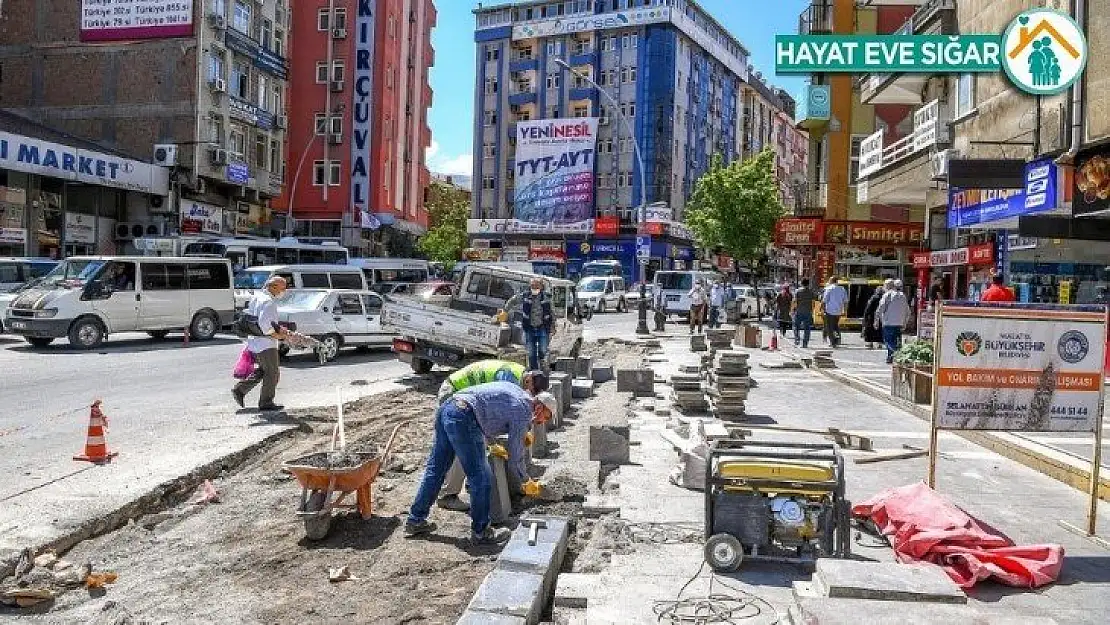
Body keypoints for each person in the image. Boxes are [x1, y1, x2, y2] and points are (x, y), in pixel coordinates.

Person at [405, 381, 558, 544]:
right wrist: (526, 481)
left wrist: (493, 443)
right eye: (546, 417)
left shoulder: (518, 394)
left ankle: (415, 520)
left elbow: (489, 412)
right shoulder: (523, 411)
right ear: (539, 408)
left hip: (449, 408)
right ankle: (481, 532)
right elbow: (515, 459)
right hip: (465, 416)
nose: (542, 422)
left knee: (436, 470)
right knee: (481, 477)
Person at [436, 364, 550, 512]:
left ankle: (469, 483)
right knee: (463, 449)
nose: (531, 395)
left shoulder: (519, 383)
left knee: (475, 446)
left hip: (471, 404)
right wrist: (524, 479)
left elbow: (491, 413)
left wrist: (519, 431)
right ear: (528, 380)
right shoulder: (508, 377)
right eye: (533, 391)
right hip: (455, 393)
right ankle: (449, 495)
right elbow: (491, 411)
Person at [232, 276, 289, 411]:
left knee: (264, 370)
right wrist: (280, 336)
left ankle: (240, 389)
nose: (284, 291)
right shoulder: (268, 302)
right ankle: (266, 402)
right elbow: (266, 328)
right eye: (283, 288)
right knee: (272, 372)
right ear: (273, 287)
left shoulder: (258, 297)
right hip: (265, 344)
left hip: (255, 342)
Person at [504, 278, 554, 371]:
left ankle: (542, 364)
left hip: (543, 327)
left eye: (536, 286)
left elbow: (552, 312)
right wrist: (505, 310)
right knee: (531, 351)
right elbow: (513, 300)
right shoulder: (525, 296)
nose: (534, 288)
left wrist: (553, 326)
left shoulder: (547, 297)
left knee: (543, 349)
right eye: (532, 286)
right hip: (529, 327)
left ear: (541, 287)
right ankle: (534, 370)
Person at [876, 280, 911, 364]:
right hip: (899, 323)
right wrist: (905, 323)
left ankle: (893, 356)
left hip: (888, 322)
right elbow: (908, 312)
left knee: (888, 340)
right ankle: (895, 357)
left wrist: (877, 319)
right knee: (897, 341)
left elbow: (881, 308)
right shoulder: (903, 296)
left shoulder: (887, 295)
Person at [820, 277, 849, 348]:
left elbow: (824, 301)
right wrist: (844, 311)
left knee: (830, 327)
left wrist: (822, 310)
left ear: (831, 281)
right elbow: (845, 301)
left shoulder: (829, 289)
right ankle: (837, 339)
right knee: (836, 326)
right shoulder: (842, 289)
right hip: (838, 311)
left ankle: (833, 342)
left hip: (830, 311)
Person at [862, 282, 887, 350]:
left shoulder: (873, 297)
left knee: (870, 330)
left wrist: (865, 317)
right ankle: (879, 344)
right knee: (879, 330)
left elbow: (868, 308)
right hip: (881, 316)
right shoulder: (884, 298)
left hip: (872, 316)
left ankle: (870, 343)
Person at [792, 279, 816, 348]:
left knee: (796, 326)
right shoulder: (811, 292)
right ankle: (805, 343)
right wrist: (812, 309)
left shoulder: (798, 291)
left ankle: (797, 339)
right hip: (808, 311)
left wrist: (792, 310)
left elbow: (794, 301)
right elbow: (813, 302)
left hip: (799, 311)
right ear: (808, 284)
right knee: (807, 328)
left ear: (801, 284)